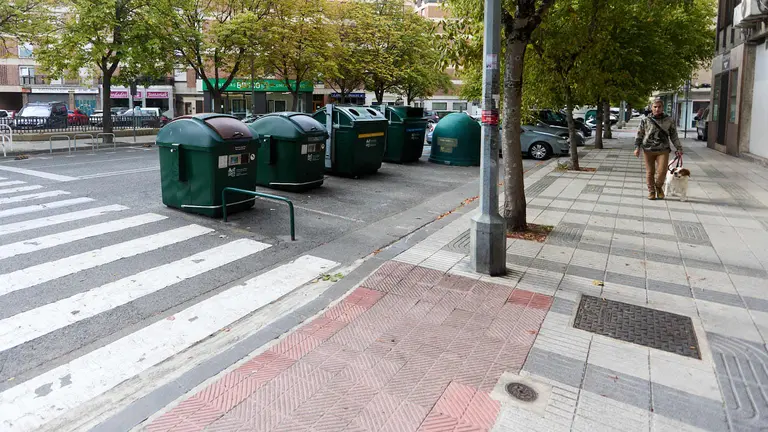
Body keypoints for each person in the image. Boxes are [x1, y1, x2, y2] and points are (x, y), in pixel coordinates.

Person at [634, 99, 683, 200]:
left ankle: (659, 187)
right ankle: (651, 191)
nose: (657, 109)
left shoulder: (669, 120)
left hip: (663, 149)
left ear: (662, 107)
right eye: (655, 107)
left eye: (659, 107)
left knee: (662, 171)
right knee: (650, 172)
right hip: (648, 149)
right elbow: (640, 134)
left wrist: (678, 147)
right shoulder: (645, 120)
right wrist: (637, 147)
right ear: (651, 107)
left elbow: (674, 135)